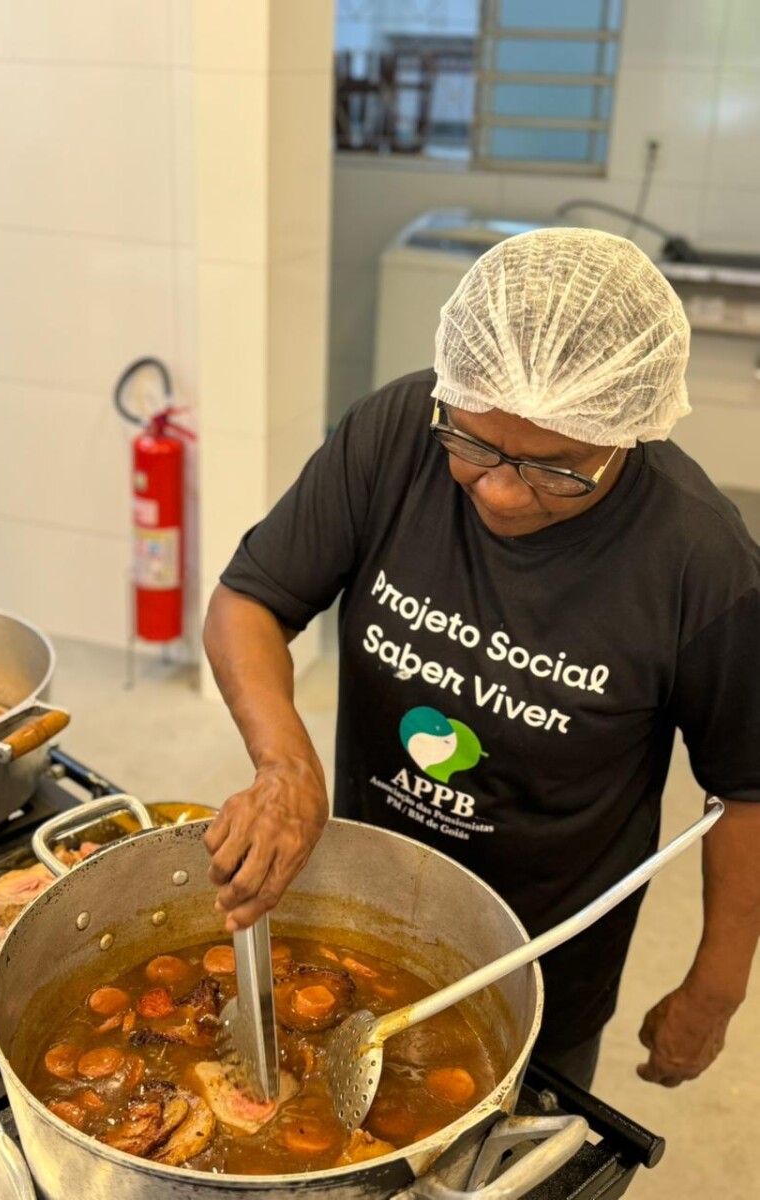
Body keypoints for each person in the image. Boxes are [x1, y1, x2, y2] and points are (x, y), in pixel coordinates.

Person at [201, 227, 760, 1090]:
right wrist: (286, 765)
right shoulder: (396, 431)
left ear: (626, 431)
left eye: (555, 469)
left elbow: (747, 789)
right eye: (471, 443)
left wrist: (716, 989)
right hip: (359, 907)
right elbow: (248, 602)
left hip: (540, 961)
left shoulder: (700, 560)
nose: (499, 490)